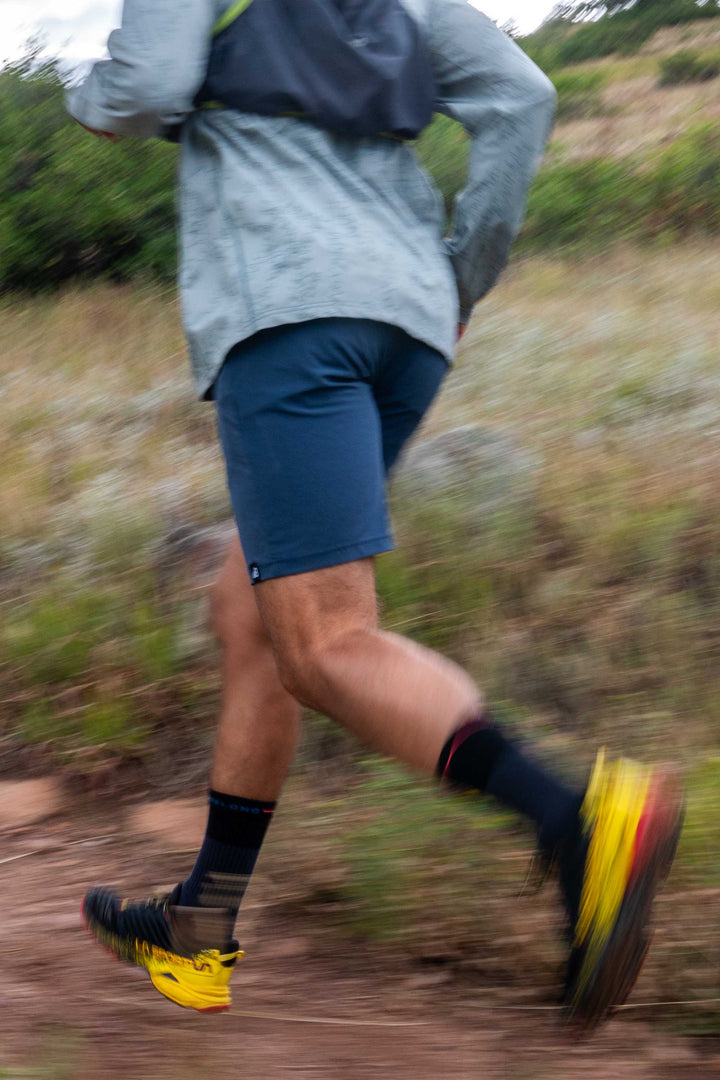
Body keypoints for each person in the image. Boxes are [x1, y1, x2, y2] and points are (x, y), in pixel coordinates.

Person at [68, 0, 683, 1024]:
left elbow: (146, 86)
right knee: (252, 610)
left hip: (289, 311)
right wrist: (459, 276)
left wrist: (86, 96)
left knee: (324, 643)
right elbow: (522, 96)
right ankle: (201, 922)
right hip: (406, 320)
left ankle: (579, 819)